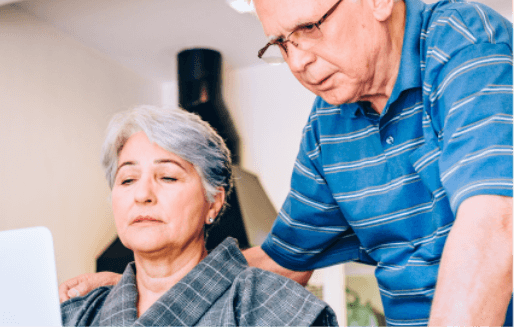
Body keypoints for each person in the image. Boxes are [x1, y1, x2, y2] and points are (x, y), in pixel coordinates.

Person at [61, 0, 513, 325]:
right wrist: (143, 286)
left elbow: (496, 226)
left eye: (311, 28)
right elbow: (282, 261)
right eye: (281, 43)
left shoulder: (463, 40)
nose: (299, 62)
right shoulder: (328, 128)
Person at [60, 105, 338, 326]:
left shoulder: (272, 306)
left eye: (168, 177)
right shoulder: (78, 313)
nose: (142, 194)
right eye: (127, 179)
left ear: (214, 202)